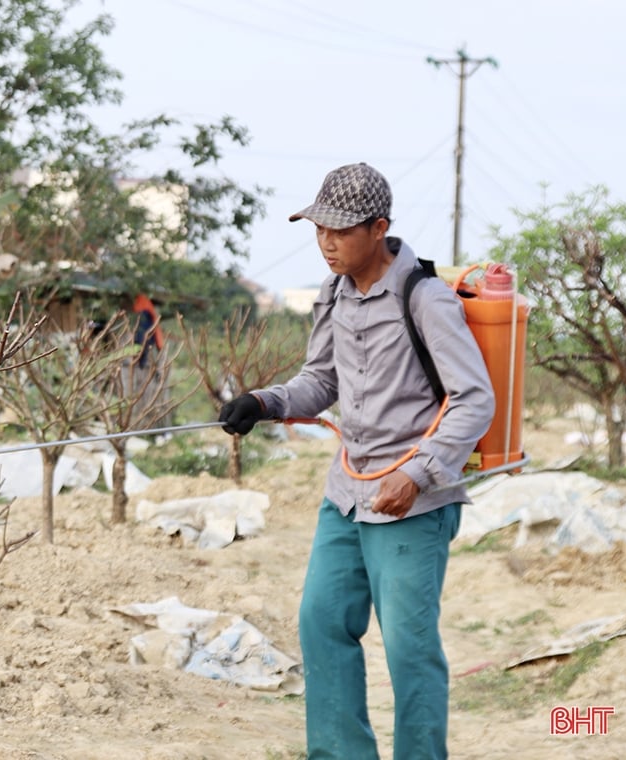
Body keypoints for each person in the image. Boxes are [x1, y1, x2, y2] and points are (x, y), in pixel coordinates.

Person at [218, 163, 495, 760]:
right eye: (318, 229)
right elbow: (320, 380)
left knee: (408, 649)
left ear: (379, 228)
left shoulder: (426, 299)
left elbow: (475, 400)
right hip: (348, 492)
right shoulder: (333, 294)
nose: (326, 242)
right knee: (320, 624)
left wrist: (416, 473)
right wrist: (264, 402)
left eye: (340, 231)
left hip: (414, 501)